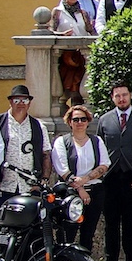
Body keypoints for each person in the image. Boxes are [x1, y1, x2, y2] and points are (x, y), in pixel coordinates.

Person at [95, 83, 132, 261]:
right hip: (110, 179)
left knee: (130, 224)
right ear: (112, 98)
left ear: (130, 96)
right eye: (117, 96)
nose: (121, 99)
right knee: (110, 224)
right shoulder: (105, 120)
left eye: (124, 95)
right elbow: (99, 148)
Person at [52, 104, 109, 249]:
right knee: (66, 232)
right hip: (70, 193)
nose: (79, 123)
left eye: (83, 119)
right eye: (76, 119)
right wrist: (80, 189)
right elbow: (62, 169)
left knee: (88, 233)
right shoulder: (62, 142)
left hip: (95, 191)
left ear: (88, 121)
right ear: (69, 122)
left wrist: (85, 180)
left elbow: (104, 165)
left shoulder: (97, 141)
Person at [0, 85, 51, 207]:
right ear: (10, 102)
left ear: (29, 103)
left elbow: (46, 154)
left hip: (30, 188)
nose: (21, 103)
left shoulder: (39, 126)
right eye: (16, 100)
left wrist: (44, 179)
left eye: (25, 100)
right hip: (3, 187)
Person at [50, 0, 91, 101]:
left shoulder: (83, 13)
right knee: (65, 88)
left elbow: (91, 31)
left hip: (80, 54)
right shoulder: (57, 12)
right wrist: (61, 35)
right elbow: (50, 31)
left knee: (78, 87)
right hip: (64, 55)